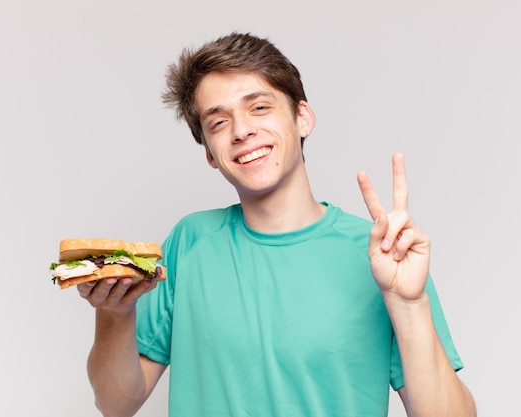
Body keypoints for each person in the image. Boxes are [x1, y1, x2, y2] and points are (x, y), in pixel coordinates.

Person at [77, 32, 477, 417]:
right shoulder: (189, 242)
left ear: (303, 117)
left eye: (260, 107)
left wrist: (409, 305)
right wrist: (115, 313)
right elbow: (115, 404)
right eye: (218, 123)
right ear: (211, 155)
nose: (241, 130)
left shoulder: (382, 254)